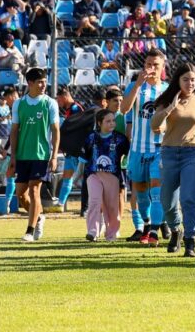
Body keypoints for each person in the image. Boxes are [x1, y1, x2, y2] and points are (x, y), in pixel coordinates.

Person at [151, 62, 195, 257]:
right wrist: (170, 108)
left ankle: (190, 241)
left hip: (192, 152)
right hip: (168, 153)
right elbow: (154, 125)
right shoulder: (166, 99)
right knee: (166, 200)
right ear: (178, 81)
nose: (190, 83)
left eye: (193, 79)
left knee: (189, 198)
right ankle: (176, 229)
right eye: (185, 79)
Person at [7, 67, 60, 242]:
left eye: (45, 82)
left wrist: (53, 156)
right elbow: (14, 131)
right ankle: (39, 217)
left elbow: (55, 130)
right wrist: (13, 156)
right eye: (40, 82)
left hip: (41, 155)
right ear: (30, 83)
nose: (44, 85)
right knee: (20, 194)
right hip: (22, 155)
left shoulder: (50, 103)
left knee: (34, 189)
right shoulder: (18, 104)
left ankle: (29, 231)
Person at [121, 48, 168, 245]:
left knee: (156, 189)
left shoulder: (167, 89)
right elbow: (124, 109)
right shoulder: (134, 86)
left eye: (156, 65)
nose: (152, 68)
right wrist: (138, 85)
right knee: (140, 192)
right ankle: (149, 224)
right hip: (138, 149)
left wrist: (164, 125)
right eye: (148, 64)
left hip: (159, 147)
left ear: (162, 67)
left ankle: (155, 232)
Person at [80, 109, 130, 242]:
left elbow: (129, 155)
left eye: (113, 120)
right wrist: (77, 175)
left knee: (112, 206)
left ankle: (111, 233)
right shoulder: (91, 137)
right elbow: (84, 159)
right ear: (99, 123)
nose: (112, 123)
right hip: (93, 174)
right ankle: (92, 231)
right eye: (108, 121)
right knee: (94, 201)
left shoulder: (120, 139)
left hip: (112, 176)